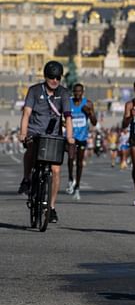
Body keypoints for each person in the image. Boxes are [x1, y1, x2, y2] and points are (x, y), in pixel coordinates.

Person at [17, 60, 75, 223]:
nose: (55, 80)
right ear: (45, 77)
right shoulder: (34, 91)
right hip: (35, 133)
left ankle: (51, 207)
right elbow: (26, 114)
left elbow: (68, 117)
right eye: (51, 77)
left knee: (56, 171)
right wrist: (23, 133)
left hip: (53, 136)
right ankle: (27, 178)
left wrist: (70, 137)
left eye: (57, 77)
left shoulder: (63, 93)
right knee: (30, 151)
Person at [66, 83, 97, 200]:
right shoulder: (68, 102)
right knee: (70, 158)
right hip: (71, 136)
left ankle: (77, 187)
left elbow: (94, 122)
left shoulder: (88, 103)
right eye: (76, 91)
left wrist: (89, 112)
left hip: (82, 137)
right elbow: (63, 117)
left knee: (79, 163)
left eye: (80, 91)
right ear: (73, 92)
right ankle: (70, 178)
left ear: (83, 92)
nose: (78, 94)